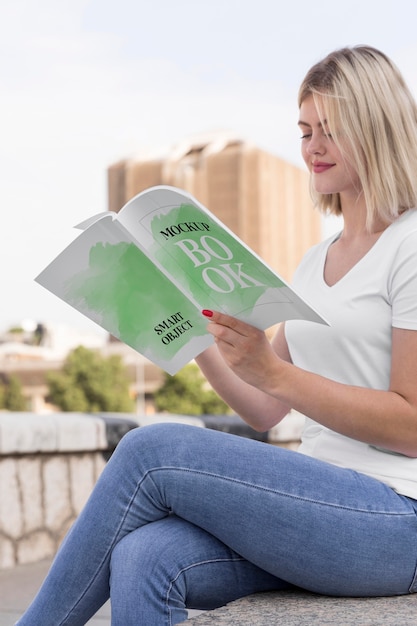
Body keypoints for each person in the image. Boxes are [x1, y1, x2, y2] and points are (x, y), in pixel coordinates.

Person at [17, 45, 417, 626]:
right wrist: (192, 332)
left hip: (394, 518)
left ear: (378, 127)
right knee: (142, 556)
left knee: (148, 451)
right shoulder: (315, 261)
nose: (312, 148)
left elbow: (411, 425)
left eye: (330, 129)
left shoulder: (410, 245)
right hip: (318, 507)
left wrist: (277, 371)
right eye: (304, 130)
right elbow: (263, 409)